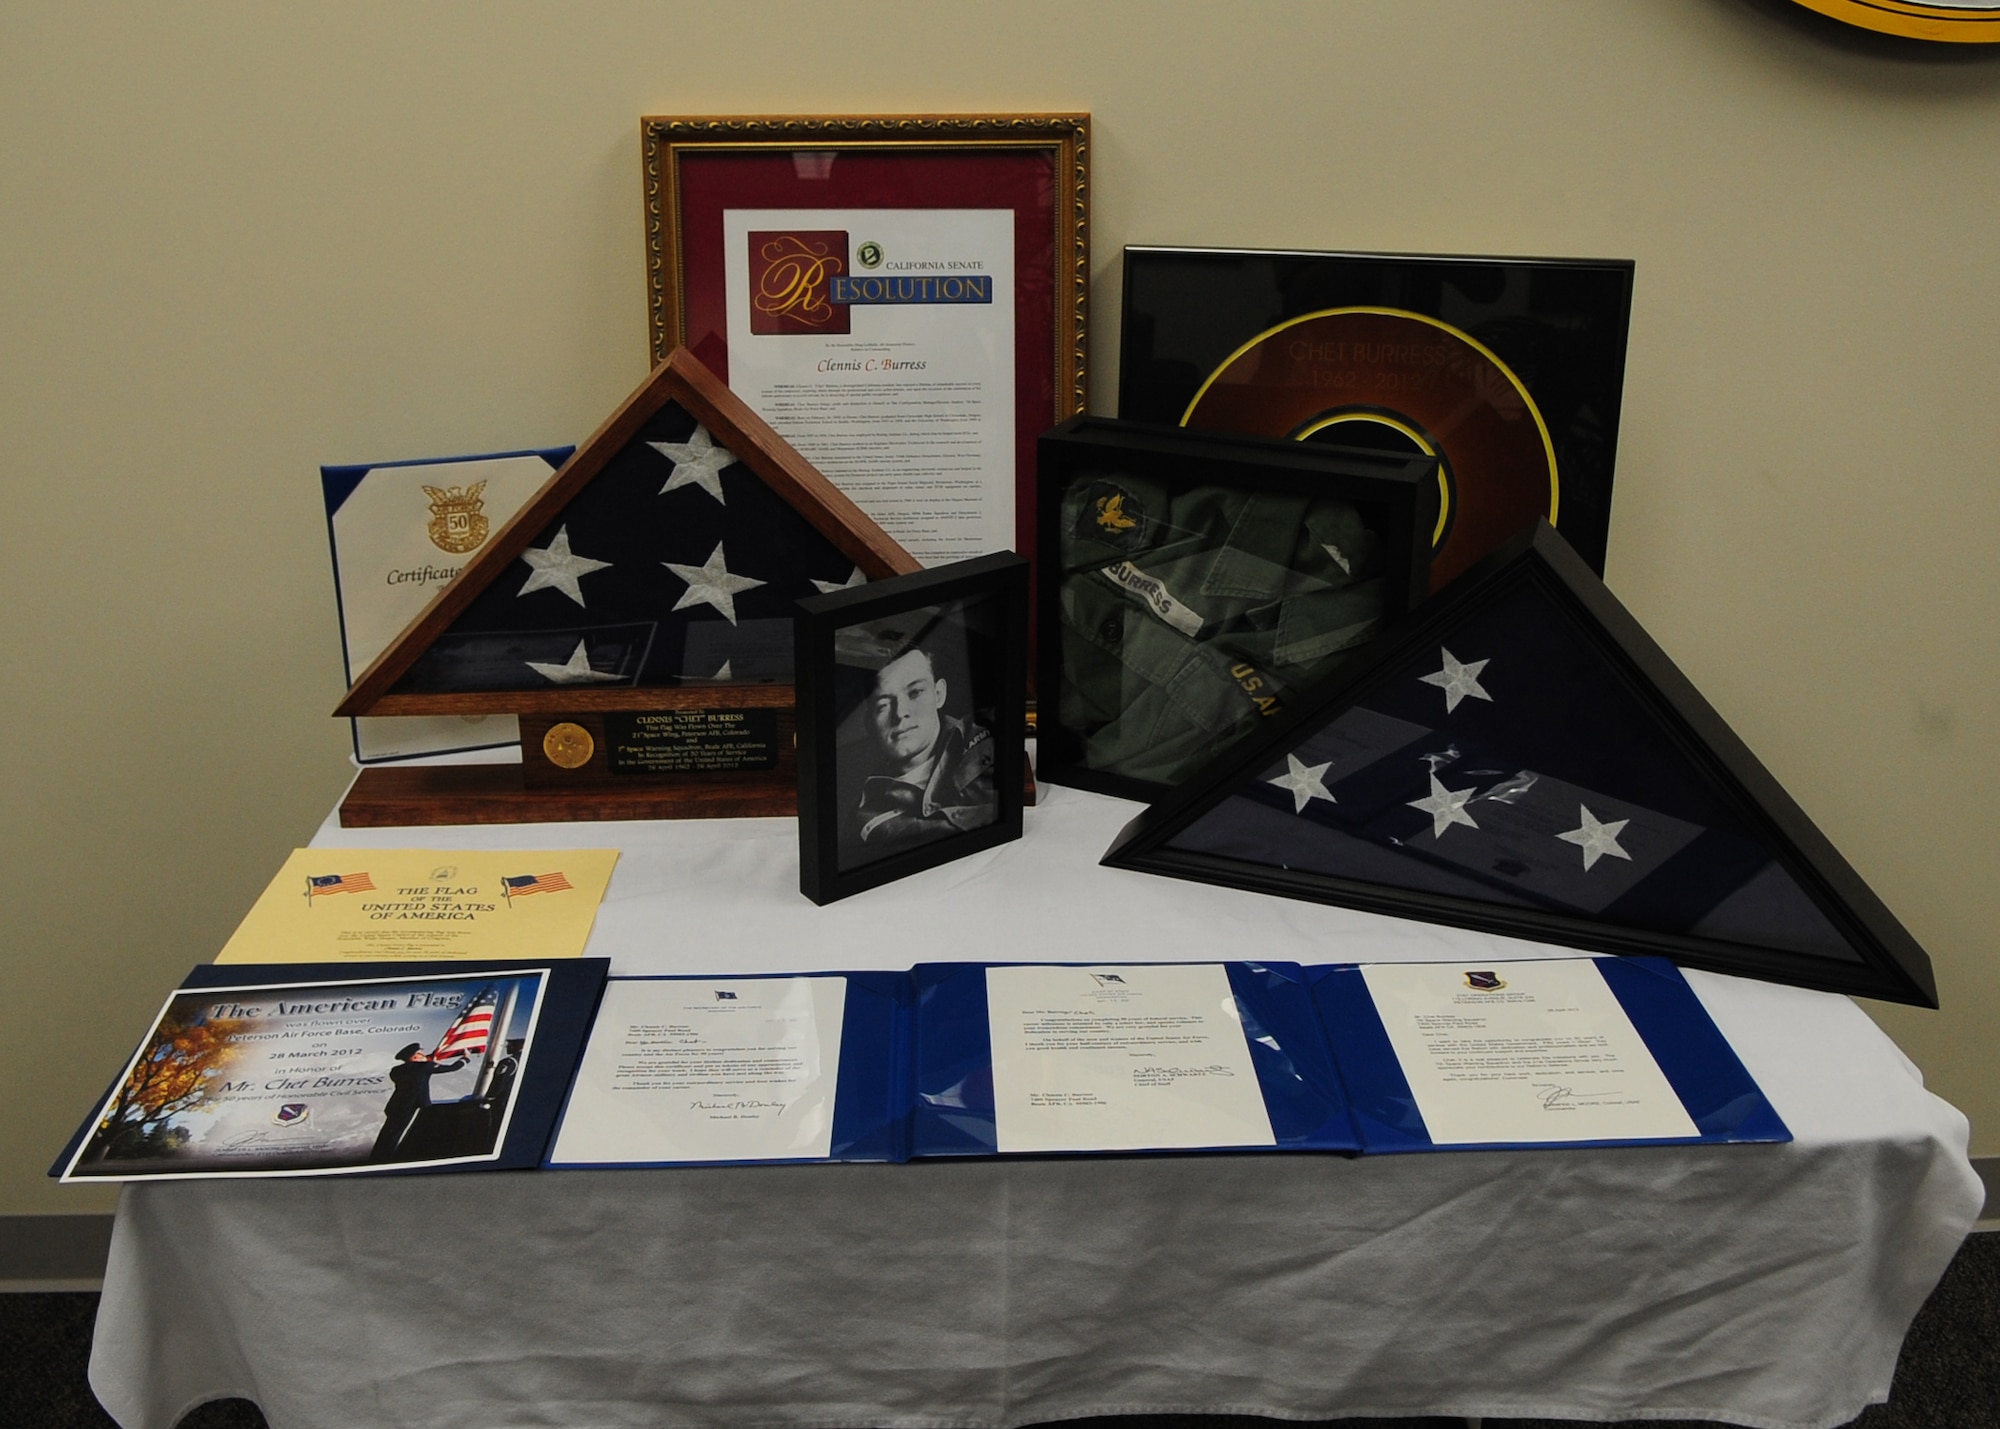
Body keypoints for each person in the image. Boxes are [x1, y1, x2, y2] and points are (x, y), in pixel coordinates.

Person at [843, 644, 997, 860]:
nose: (901, 713)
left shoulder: (990, 731)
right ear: (870, 723)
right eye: (883, 704)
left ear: (939, 694)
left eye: (915, 693)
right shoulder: (866, 820)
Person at [369, 1042, 466, 1161]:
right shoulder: (425, 1067)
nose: (423, 1054)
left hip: (395, 1105)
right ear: (415, 1057)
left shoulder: (396, 1070)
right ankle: (387, 1158)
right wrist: (465, 1059)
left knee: (388, 1132)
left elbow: (417, 1069)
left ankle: (378, 1156)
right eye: (420, 1053)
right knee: (400, 1132)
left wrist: (429, 1061)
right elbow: (452, 1068)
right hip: (413, 1106)